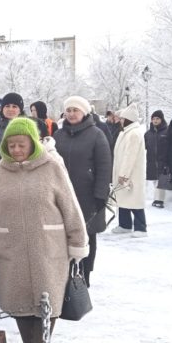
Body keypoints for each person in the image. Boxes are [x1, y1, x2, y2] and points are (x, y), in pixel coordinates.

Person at [0, 117, 88, 343]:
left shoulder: (52, 168)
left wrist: (77, 240)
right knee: (18, 299)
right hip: (11, 248)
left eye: (21, 144)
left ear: (32, 143)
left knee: (47, 298)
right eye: (11, 145)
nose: (16, 150)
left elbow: (70, 205)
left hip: (49, 248)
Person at [53, 96, 112, 287]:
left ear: (84, 112)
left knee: (87, 235)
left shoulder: (96, 134)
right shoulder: (58, 136)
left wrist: (100, 195)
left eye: (75, 110)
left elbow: (104, 166)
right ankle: (64, 275)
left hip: (87, 196)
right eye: (68, 110)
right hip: (62, 195)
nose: (71, 114)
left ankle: (85, 275)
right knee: (63, 236)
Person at [111, 104, 147, 237]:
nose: (120, 121)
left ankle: (141, 227)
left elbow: (129, 156)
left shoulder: (133, 134)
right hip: (124, 171)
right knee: (124, 199)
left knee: (134, 201)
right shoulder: (127, 132)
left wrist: (124, 174)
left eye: (122, 118)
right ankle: (125, 224)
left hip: (131, 173)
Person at [144, 110, 169, 208]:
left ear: (161, 119)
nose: (155, 120)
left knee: (161, 180)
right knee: (155, 180)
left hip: (163, 160)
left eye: (157, 118)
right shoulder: (148, 134)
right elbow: (143, 146)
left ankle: (160, 200)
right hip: (151, 160)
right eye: (153, 118)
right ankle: (156, 198)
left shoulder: (167, 131)